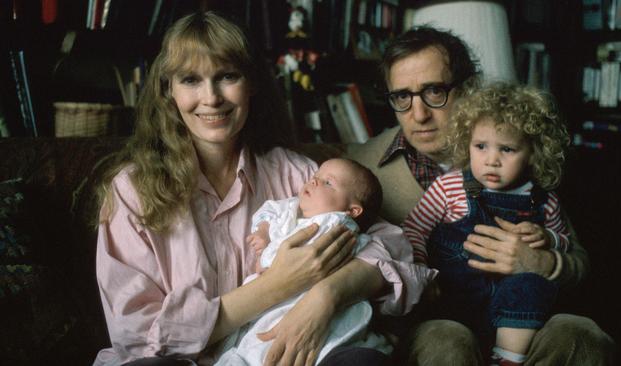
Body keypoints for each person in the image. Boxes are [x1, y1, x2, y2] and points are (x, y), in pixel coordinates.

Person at [93, 12, 435, 366]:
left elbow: (394, 250)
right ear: (169, 90)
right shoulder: (132, 191)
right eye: (190, 79)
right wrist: (280, 283)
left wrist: (327, 294)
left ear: (251, 82)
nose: (211, 98)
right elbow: (139, 337)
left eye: (227, 76)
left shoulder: (297, 174)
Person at [346, 26, 615, 365]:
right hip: (442, 318)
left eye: (434, 91)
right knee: (445, 342)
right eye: (402, 96)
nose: (419, 114)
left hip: (523, 317)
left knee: (581, 334)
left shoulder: (514, 153)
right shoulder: (359, 166)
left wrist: (543, 261)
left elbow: (578, 259)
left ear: (467, 88)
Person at [402, 82, 571, 365]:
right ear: (467, 143)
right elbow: (414, 228)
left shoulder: (542, 199)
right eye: (481, 146)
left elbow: (564, 242)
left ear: (532, 152)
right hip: (456, 301)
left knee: (530, 285)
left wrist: (548, 238)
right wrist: (420, 268)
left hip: (517, 319)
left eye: (507, 149)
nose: (492, 160)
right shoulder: (450, 186)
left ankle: (507, 359)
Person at [217, 158, 391, 365]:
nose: (315, 182)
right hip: (277, 306)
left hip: (309, 308)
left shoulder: (337, 225)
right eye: (315, 177)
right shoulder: (294, 213)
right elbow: (270, 211)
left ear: (352, 211)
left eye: (328, 183)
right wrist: (264, 232)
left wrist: (267, 258)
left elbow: (390, 250)